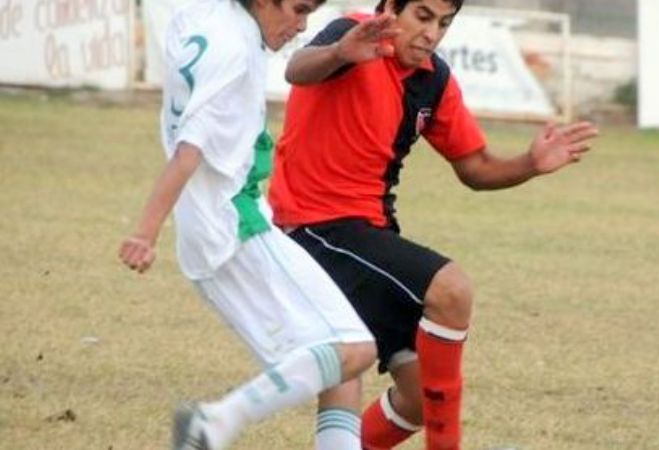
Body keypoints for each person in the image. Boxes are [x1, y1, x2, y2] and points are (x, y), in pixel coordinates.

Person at [268, 0, 600, 448]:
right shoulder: (354, 35)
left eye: (443, 23)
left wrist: (530, 164)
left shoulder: (434, 79)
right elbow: (298, 70)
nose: (432, 33)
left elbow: (476, 168)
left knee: (420, 401)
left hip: (369, 236)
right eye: (421, 17)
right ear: (389, 9)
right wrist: (341, 53)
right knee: (451, 290)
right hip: (313, 228)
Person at [118, 0, 377, 449]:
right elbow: (189, 150)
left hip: (220, 225)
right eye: (297, 10)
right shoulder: (233, 48)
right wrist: (144, 231)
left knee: (339, 367)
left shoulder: (201, 18)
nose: (301, 26)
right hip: (234, 225)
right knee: (355, 349)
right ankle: (214, 422)